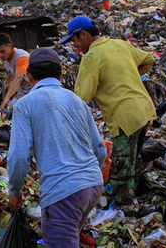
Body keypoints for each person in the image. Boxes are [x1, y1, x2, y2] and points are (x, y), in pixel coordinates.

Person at [8, 48, 105, 248]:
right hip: (93, 186)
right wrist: (88, 175)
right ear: (61, 75)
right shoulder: (77, 100)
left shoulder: (25, 104)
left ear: (28, 76)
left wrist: (14, 192)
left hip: (63, 192)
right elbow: (100, 149)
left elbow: (18, 158)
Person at [62, 15, 156, 209]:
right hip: (144, 110)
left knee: (122, 165)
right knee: (134, 157)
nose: (75, 46)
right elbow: (149, 59)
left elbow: (81, 98)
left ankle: (126, 208)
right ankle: (138, 193)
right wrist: (129, 78)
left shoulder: (91, 57)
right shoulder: (119, 44)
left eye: (75, 40)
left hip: (125, 116)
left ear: (84, 35)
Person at [0, 33, 32, 112]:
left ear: (10, 46)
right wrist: (7, 82)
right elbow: (9, 71)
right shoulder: (5, 58)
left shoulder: (21, 57)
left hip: (34, 90)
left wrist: (7, 98)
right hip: (23, 91)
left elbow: (18, 78)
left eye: (2, 51)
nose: (0, 55)